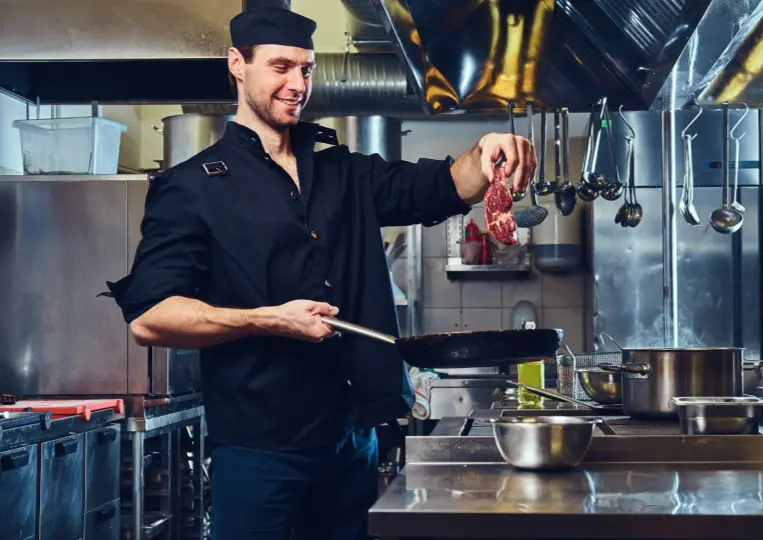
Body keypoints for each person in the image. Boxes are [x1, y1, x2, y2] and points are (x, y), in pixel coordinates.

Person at [102, 7, 535, 540]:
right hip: (259, 452)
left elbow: (445, 185)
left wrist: (487, 151)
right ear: (237, 64)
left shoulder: (345, 172)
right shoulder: (192, 186)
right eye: (280, 67)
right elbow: (150, 317)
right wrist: (267, 320)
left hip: (352, 442)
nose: (296, 84)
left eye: (305, 69)